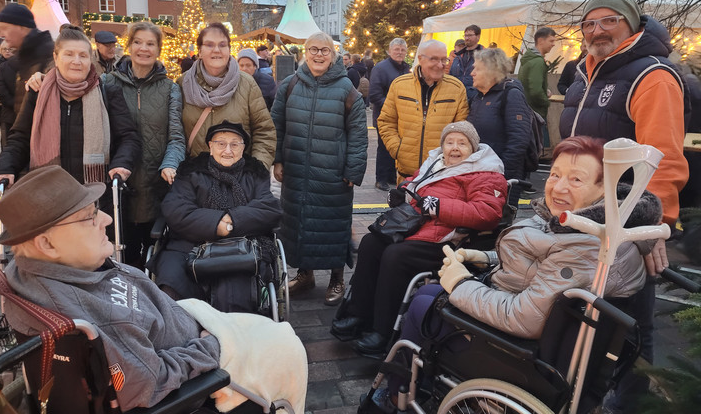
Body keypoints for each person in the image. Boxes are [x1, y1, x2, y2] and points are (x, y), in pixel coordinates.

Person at [365, 136, 657, 411]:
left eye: (576, 179)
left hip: (518, 354)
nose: (558, 187)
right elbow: (541, 263)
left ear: (605, 189)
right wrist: (485, 256)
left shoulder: (587, 244)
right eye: (554, 174)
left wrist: (460, 283)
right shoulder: (587, 224)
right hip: (525, 321)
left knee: (423, 302)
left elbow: (524, 318)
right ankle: (411, 382)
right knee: (430, 292)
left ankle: (396, 394)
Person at [0, 165, 306, 413]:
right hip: (197, 358)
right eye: (89, 218)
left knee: (271, 330)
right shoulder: (89, 314)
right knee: (287, 346)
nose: (104, 219)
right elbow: (148, 384)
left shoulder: (36, 271)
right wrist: (210, 346)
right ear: (46, 244)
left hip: (184, 323)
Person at [559, 0, 690, 412]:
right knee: (591, 307)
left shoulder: (650, 75)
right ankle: (582, 392)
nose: (596, 30)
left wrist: (657, 228)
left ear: (632, 24)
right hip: (589, 212)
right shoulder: (588, 73)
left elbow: (664, 158)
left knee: (633, 322)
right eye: (589, 24)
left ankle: (631, 403)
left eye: (608, 21)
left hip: (629, 216)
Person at [331, 122, 507, 357]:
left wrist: (439, 206)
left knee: (396, 256)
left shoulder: (484, 172)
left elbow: (488, 213)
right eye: (450, 142)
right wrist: (403, 190)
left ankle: (383, 331)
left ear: (473, 148)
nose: (455, 148)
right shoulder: (436, 162)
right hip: (416, 227)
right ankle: (358, 314)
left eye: (462, 143)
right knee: (370, 243)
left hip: (448, 239)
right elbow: (414, 181)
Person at [271, 31, 368, 306]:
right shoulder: (290, 85)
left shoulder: (347, 90)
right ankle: (306, 274)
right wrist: (277, 159)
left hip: (332, 175)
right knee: (299, 223)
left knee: (333, 226)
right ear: (304, 52)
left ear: (334, 55)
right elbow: (276, 125)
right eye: (313, 49)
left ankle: (337, 278)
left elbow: (359, 134)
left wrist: (353, 170)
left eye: (324, 50)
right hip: (297, 171)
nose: (318, 55)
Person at [0, 26, 141, 188]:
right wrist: (6, 166)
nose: (76, 61)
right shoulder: (38, 92)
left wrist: (121, 163)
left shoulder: (107, 91)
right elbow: (20, 138)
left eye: (83, 55)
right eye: (69, 54)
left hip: (96, 192)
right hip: (50, 192)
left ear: (90, 58)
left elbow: (127, 137)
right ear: (56, 57)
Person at [154, 122, 281, 312]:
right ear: (210, 147)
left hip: (244, 246)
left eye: (234, 144)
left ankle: (233, 335)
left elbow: (269, 208)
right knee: (172, 284)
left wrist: (231, 220)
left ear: (243, 148)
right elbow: (176, 209)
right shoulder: (190, 172)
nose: (227, 150)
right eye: (221, 143)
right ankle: (180, 331)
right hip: (190, 245)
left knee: (238, 288)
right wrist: (216, 225)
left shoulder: (254, 173)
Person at [101, 22, 185, 268]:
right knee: (120, 256)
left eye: (150, 44)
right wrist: (42, 77)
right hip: (117, 184)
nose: (143, 49)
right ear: (128, 46)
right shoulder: (107, 83)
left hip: (154, 184)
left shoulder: (170, 88)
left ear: (159, 49)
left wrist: (170, 164)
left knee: (153, 257)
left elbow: (176, 137)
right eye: (138, 42)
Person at [179, 23, 276, 168]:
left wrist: (256, 170)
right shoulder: (183, 83)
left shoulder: (246, 84)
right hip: (195, 179)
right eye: (209, 45)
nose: (216, 50)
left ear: (229, 50)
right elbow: (175, 134)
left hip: (238, 178)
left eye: (222, 45)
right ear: (199, 51)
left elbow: (264, 131)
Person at [377, 39, 469, 182]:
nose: (440, 65)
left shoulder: (456, 88)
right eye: (434, 59)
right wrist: (398, 150)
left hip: (441, 174)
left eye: (444, 59)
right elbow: (386, 121)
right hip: (406, 174)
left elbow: (462, 129)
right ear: (420, 59)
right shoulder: (399, 85)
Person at [467, 48, 533, 182]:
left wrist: (502, 173)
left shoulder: (511, 95)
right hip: (479, 173)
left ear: (493, 71)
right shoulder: (478, 98)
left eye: (477, 69)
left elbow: (519, 140)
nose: (471, 73)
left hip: (502, 177)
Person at [0, 2, 54, 117]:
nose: (1, 34)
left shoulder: (46, 54)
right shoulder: (25, 55)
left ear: (22, 27)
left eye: (5, 28)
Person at [370, 38, 411, 191]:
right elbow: (374, 95)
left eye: (402, 50)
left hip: (402, 117)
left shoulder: (406, 69)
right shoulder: (381, 68)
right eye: (397, 50)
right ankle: (380, 179)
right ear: (390, 51)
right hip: (384, 117)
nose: (400, 52)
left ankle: (391, 176)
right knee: (384, 148)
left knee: (396, 148)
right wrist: (392, 107)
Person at [518, 27, 557, 120]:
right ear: (540, 41)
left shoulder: (529, 59)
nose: (553, 44)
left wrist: (544, 90)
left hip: (527, 109)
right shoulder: (537, 62)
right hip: (535, 113)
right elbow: (535, 91)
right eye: (551, 41)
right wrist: (546, 102)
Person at [449, 24, 484, 100]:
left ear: (478, 37)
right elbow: (450, 76)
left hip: (474, 98)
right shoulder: (458, 56)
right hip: (456, 97)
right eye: (465, 35)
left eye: (470, 35)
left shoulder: (484, 56)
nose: (467, 38)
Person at [0, 42, 17, 148]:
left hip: (10, 110)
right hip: (9, 111)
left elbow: (0, 88)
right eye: (5, 49)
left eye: (10, 49)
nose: (7, 51)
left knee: (8, 142)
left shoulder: (3, 66)